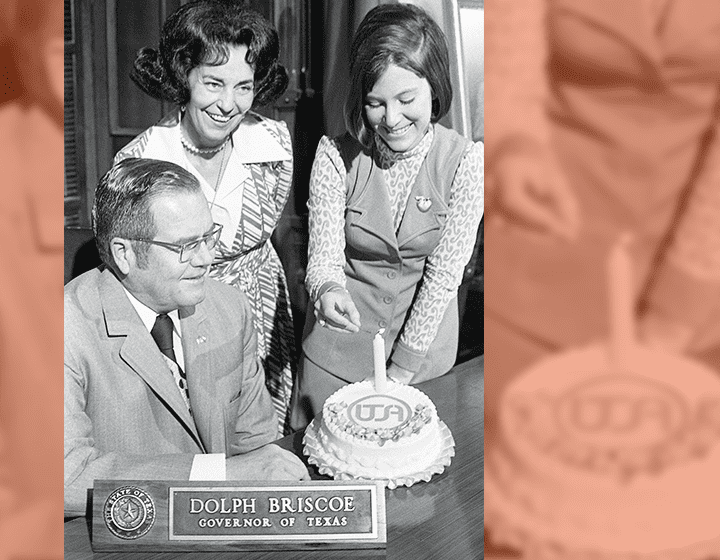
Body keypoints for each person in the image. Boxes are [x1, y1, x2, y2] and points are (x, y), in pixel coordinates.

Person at [483, 0, 720, 418]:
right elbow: (510, 59)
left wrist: (675, 316)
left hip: (702, 291)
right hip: (542, 271)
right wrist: (515, 148)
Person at [64, 158, 309, 517]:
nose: (208, 259)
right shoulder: (59, 331)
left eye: (209, 237)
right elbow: (63, 477)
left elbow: (258, 448)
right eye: (186, 246)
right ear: (124, 253)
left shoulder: (229, 308)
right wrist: (217, 476)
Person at [289, 4, 484, 429]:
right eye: (375, 103)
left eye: (406, 99)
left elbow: (443, 279)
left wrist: (399, 374)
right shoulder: (334, 157)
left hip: (421, 366)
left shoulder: (467, 163)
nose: (391, 119)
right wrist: (325, 288)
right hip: (333, 362)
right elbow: (323, 256)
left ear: (435, 86)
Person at [114, 0, 296, 434]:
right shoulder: (140, 162)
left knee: (263, 438)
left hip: (265, 309)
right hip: (184, 317)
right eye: (213, 83)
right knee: (200, 445)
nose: (229, 104)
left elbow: (270, 237)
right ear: (184, 77)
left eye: (244, 86)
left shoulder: (273, 144)